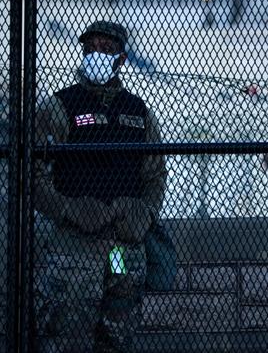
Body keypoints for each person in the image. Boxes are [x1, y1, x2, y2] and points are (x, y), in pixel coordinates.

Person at [34, 20, 168, 353]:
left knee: (117, 336)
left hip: (122, 249)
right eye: (90, 47)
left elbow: (155, 174)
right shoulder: (58, 107)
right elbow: (33, 174)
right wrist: (69, 208)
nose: (96, 54)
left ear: (121, 58)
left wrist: (144, 214)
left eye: (106, 49)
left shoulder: (139, 113)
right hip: (74, 247)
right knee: (64, 336)